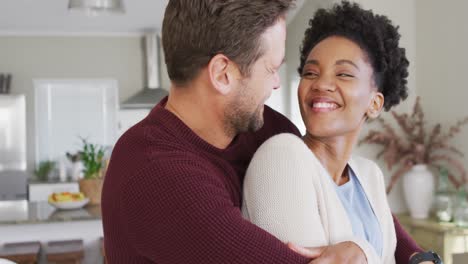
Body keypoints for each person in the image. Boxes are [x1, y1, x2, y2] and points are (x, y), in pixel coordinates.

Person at [101, 0, 422, 263]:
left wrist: (419, 258)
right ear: (223, 74)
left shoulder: (263, 126)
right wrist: (364, 251)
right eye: (270, 68)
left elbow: (345, 194)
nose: (277, 83)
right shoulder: (156, 175)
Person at [242, 2, 439, 264]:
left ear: (375, 103)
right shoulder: (281, 159)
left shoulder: (369, 176)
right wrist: (364, 252)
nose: (321, 84)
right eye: (310, 72)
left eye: (344, 74)